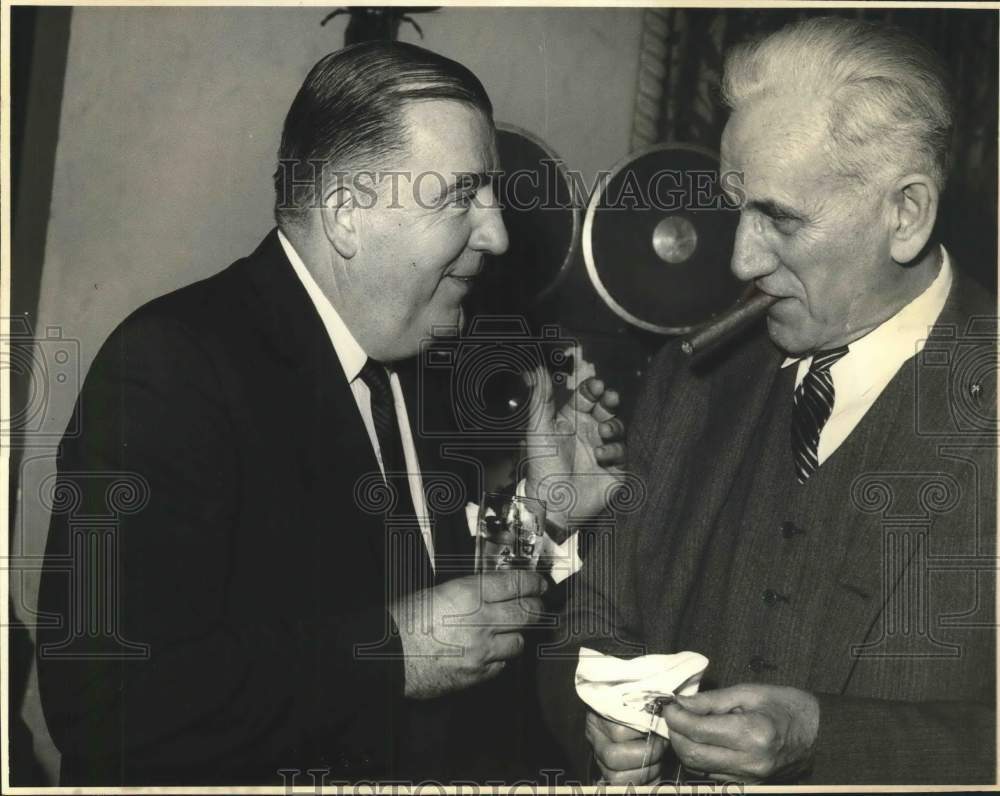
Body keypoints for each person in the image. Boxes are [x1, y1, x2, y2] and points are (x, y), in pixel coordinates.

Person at [37, 41, 626, 786]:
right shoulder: (171, 366)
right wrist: (392, 654)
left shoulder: (421, 365)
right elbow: (101, 702)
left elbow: (460, 648)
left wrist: (545, 518)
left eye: (495, 197)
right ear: (347, 214)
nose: (499, 234)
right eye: (461, 197)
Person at [540, 16, 996, 785]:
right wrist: (602, 724)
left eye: (780, 218)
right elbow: (594, 622)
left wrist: (826, 738)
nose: (742, 258)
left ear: (907, 213)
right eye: (735, 207)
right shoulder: (694, 378)